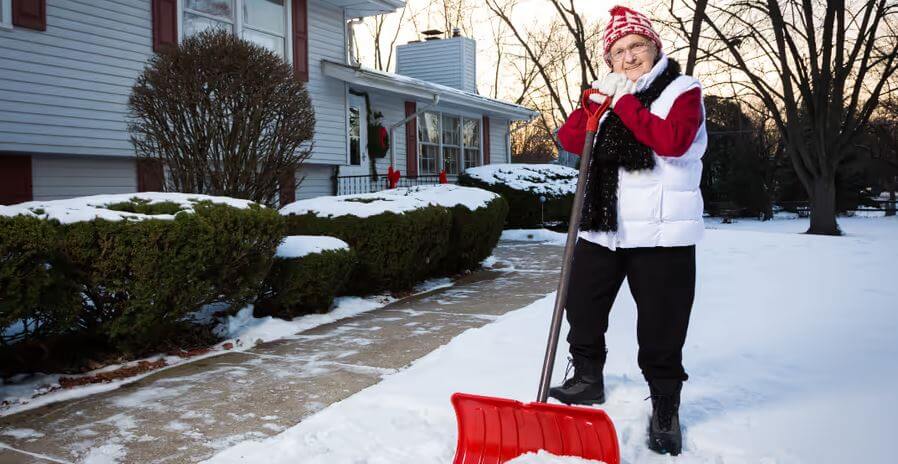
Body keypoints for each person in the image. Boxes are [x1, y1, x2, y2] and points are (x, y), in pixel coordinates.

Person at [550, 5, 707, 457]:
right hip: (605, 228)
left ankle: (664, 408)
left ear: (654, 47)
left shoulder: (682, 91)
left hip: (661, 236)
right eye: (618, 51)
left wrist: (622, 103)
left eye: (636, 45)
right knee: (581, 305)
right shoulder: (609, 92)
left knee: (662, 326)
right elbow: (571, 141)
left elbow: (672, 141)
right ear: (610, 60)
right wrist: (592, 107)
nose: (629, 56)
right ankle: (586, 379)